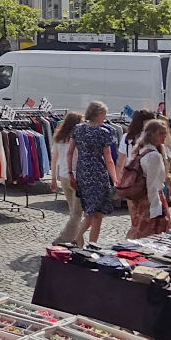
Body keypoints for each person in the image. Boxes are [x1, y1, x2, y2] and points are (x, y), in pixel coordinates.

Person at [68, 101, 118, 244]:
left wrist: (71, 173)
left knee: (90, 212)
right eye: (104, 114)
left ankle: (78, 238)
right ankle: (91, 245)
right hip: (98, 174)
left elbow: (70, 152)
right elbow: (108, 159)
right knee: (97, 215)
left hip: (82, 172)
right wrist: (115, 179)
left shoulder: (77, 129)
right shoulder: (104, 132)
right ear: (99, 114)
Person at [126, 119, 171, 238]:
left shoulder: (141, 149)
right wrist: (156, 207)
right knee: (150, 234)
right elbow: (151, 184)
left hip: (144, 198)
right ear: (152, 135)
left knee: (138, 228)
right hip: (151, 199)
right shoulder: (154, 156)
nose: (164, 136)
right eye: (161, 133)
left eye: (165, 133)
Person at [49, 112, 84, 243]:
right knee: (77, 213)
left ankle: (78, 242)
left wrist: (53, 179)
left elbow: (54, 160)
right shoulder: (78, 138)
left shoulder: (59, 138)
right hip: (76, 176)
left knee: (73, 212)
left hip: (63, 176)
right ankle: (62, 239)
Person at [115, 109, 156, 177]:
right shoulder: (151, 137)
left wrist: (117, 182)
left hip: (131, 177)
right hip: (148, 176)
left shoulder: (126, 137)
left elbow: (120, 162)